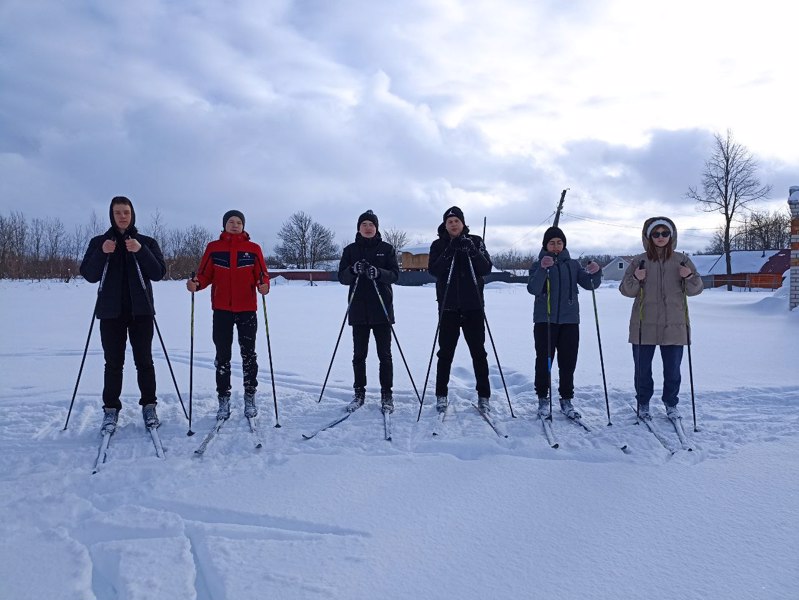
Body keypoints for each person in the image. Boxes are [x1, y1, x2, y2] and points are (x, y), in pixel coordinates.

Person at [79, 196, 167, 433]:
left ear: (132, 214)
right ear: (111, 214)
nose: (122, 217)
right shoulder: (100, 241)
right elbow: (89, 274)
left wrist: (141, 251)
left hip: (142, 313)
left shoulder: (146, 242)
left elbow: (159, 273)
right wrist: (101, 252)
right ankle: (110, 410)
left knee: (144, 361)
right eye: (118, 212)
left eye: (126, 212)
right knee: (113, 363)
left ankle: (149, 405)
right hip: (110, 314)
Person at [187, 210, 270, 421]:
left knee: (249, 355)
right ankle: (223, 399)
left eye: (239, 222)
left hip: (247, 310)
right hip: (222, 310)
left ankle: (250, 395)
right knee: (222, 356)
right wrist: (197, 283)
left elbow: (262, 274)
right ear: (224, 225)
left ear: (244, 225)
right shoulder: (214, 248)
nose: (235, 225)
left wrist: (264, 285)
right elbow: (205, 274)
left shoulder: (253, 249)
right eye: (231, 222)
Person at [619, 217, 703, 420]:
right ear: (649, 237)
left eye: (665, 233)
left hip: (674, 325)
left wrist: (689, 276)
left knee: (673, 370)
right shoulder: (640, 260)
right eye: (656, 234)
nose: (660, 237)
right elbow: (626, 290)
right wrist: (636, 279)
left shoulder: (681, 260)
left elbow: (696, 289)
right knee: (642, 370)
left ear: (671, 236)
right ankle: (643, 403)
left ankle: (670, 403)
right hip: (643, 324)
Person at [527, 227, 601, 418]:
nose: (556, 246)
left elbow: (589, 284)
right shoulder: (538, 265)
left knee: (568, 362)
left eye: (559, 242)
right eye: (552, 243)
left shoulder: (573, 265)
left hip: (569, 321)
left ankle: (566, 398)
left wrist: (596, 272)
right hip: (545, 321)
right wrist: (543, 269)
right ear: (545, 245)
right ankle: (543, 398)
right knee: (544, 361)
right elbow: (533, 289)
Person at [427, 206, 493, 413]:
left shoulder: (475, 242)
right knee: (445, 353)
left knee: (479, 353)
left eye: (456, 221)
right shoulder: (438, 244)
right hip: (448, 307)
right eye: (449, 222)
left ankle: (484, 395)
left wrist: (471, 250)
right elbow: (434, 270)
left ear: (462, 223)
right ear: (445, 225)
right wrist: (450, 250)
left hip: (473, 307)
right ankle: (441, 394)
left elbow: (486, 268)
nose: (453, 224)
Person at [337, 210, 400, 413]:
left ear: (376, 227)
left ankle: (386, 394)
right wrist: (353, 270)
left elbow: (395, 276)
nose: (368, 227)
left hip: (382, 310)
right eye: (364, 224)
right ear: (359, 228)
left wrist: (378, 273)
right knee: (359, 355)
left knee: (385, 356)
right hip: (358, 310)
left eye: (371, 224)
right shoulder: (350, 250)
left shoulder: (387, 249)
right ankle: (359, 393)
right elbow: (342, 278)